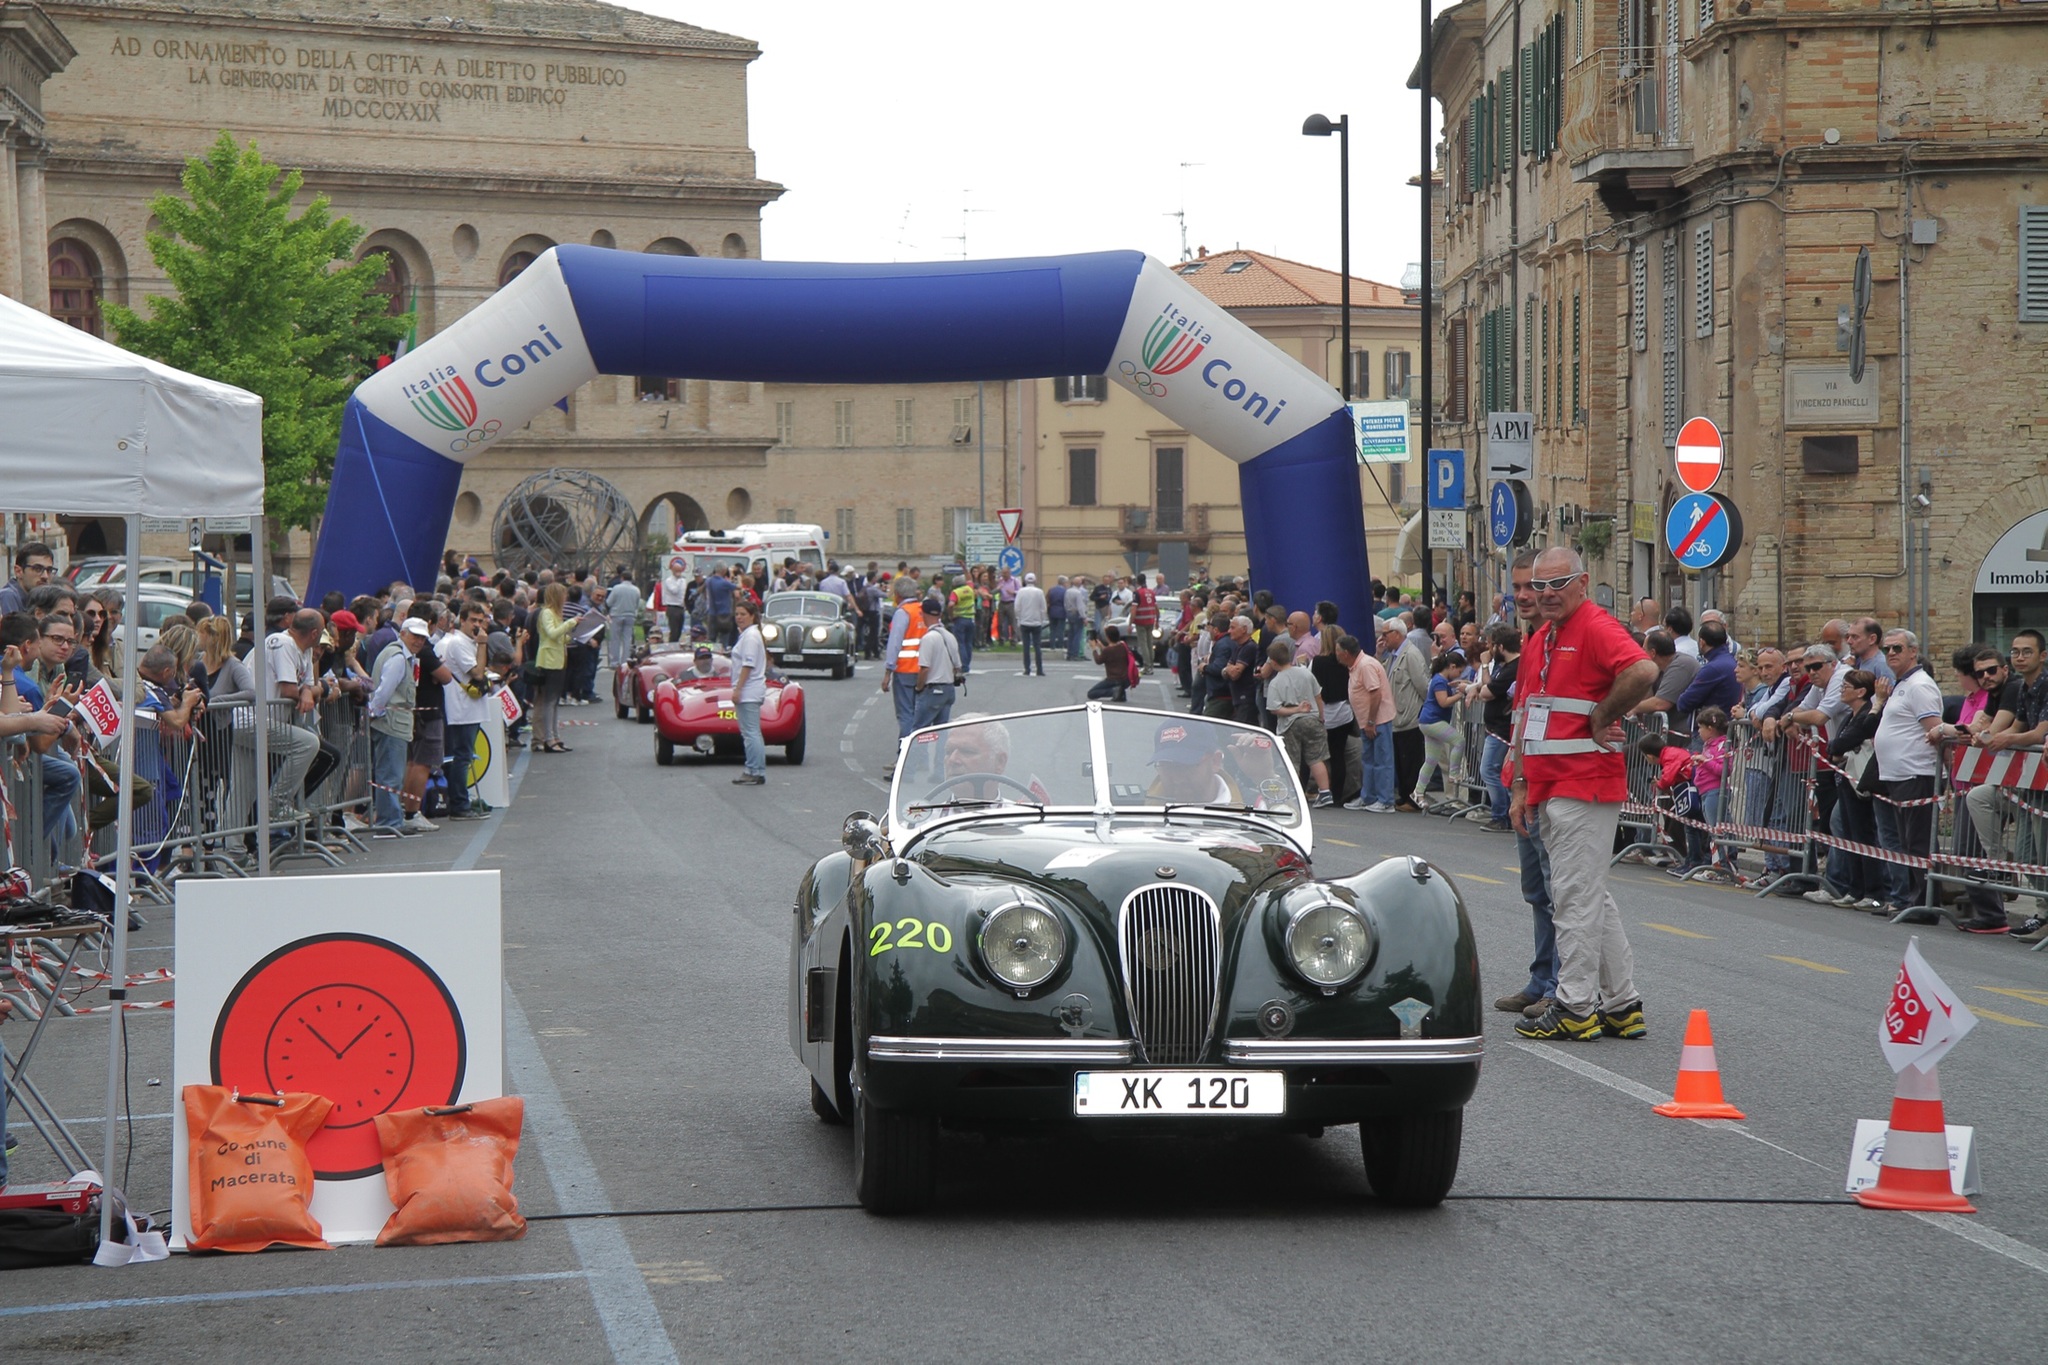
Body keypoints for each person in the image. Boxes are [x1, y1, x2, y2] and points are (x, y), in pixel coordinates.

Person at [1510, 548, 1658, 1042]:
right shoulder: (1546, 636)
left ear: (1582, 582)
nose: (1545, 594)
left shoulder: (1593, 626)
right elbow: (1528, 715)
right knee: (1590, 895)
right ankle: (1621, 1003)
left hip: (1584, 781)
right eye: (1538, 585)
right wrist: (1521, 783)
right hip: (1552, 781)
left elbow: (1642, 671)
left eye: (1558, 583)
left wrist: (1600, 716)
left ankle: (1575, 1006)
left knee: (1572, 897)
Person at [1870, 630, 1951, 923]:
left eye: (1898, 648)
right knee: (1907, 842)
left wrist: (1947, 775)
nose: (1891, 652)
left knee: (1919, 843)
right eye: (1887, 648)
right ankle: (1916, 899)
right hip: (1899, 775)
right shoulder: (1901, 685)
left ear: (1913, 652)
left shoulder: (1919, 686)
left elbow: (1937, 730)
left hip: (1917, 772)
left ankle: (1926, 904)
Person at [1804, 669, 1883, 910]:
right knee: (1847, 833)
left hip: (1860, 781)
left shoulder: (1868, 714)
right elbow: (1835, 747)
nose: (1841, 690)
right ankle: (1854, 888)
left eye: (1845, 687)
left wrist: (1877, 704)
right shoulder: (1851, 715)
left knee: (1863, 835)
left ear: (1860, 691)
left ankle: (1872, 891)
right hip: (1846, 780)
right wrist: (1838, 748)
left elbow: (1844, 742)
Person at [365, 618, 426, 838]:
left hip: (391, 721)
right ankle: (389, 822)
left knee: (390, 773)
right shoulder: (399, 659)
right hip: (392, 722)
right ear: (403, 634)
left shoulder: (400, 655)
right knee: (390, 774)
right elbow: (383, 691)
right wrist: (377, 712)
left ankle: (391, 819)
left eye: (422, 637)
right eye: (415, 636)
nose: (419, 641)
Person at [439, 601, 493, 820]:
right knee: (463, 756)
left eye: (481, 621)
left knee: (463, 755)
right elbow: (477, 673)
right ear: (462, 620)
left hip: (469, 708)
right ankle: (459, 804)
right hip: (462, 709)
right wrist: (482, 645)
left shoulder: (466, 642)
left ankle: (460, 800)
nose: (477, 625)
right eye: (473, 620)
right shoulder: (459, 643)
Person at [1265, 641, 1333, 807]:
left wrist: (1295, 710)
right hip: (1313, 719)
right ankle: (1325, 793)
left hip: (1290, 725)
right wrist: (1321, 716)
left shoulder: (1276, 682)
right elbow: (1318, 696)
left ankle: (1295, 795)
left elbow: (1275, 709)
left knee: (1292, 761)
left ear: (1273, 662)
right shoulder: (1306, 674)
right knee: (1316, 758)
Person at [1338, 633, 1396, 812]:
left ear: (1346, 653)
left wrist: (1371, 721)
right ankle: (1368, 796)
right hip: (1367, 721)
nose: (1336, 655)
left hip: (1377, 720)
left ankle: (1385, 800)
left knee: (1382, 760)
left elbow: (1375, 693)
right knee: (1369, 760)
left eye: (1338, 651)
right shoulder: (1358, 666)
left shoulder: (1365, 665)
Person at [1473, 624, 1521, 830]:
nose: (1489, 650)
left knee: (1489, 770)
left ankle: (1501, 814)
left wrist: (1484, 665)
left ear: (1500, 647)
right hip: (1496, 727)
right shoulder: (1506, 667)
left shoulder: (1513, 668)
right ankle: (1504, 812)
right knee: (1496, 771)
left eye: (1492, 646)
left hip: (1501, 730)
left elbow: (1488, 691)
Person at [1383, 617, 1428, 811]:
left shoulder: (1411, 655)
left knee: (1411, 760)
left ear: (1397, 634)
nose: (1383, 638)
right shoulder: (1392, 656)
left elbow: (1423, 686)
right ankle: (1404, 796)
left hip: (1409, 717)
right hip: (1397, 717)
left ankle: (1412, 799)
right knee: (1401, 760)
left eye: (1386, 634)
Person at [1413, 650, 1467, 811]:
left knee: (1431, 760)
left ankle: (1418, 791)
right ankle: (1454, 773)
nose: (1458, 675)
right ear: (1451, 666)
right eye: (1458, 671)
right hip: (1433, 721)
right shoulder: (1439, 681)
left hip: (1428, 722)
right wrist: (1460, 694)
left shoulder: (1439, 680)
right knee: (1459, 740)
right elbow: (1444, 702)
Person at [879, 576, 927, 747]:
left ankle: (904, 756)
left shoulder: (903, 613)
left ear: (898, 595)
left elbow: (894, 644)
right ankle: (920, 755)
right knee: (921, 716)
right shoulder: (924, 609)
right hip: (926, 670)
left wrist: (887, 673)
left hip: (906, 670)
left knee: (906, 715)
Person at [729, 595, 769, 785]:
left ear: (753, 616)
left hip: (749, 689)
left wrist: (738, 689)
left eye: (743, 614)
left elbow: (748, 664)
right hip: (750, 688)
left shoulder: (751, 637)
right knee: (750, 732)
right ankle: (754, 768)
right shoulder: (748, 635)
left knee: (751, 732)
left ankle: (755, 770)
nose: (739, 617)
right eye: (737, 614)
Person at [531, 581, 573, 752]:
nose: (565, 598)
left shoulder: (555, 613)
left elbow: (557, 637)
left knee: (554, 701)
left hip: (557, 659)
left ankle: (555, 735)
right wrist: (571, 624)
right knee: (549, 701)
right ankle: (549, 738)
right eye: (563, 595)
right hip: (549, 660)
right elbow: (552, 634)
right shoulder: (547, 613)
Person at [0, 541, 54, 617]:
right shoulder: (8, 596)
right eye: (37, 569)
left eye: (49, 570)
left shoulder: (42, 599)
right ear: (18, 571)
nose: (45, 576)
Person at [604, 567, 641, 670]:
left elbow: (609, 602)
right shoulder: (636, 590)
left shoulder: (616, 588)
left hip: (616, 614)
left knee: (615, 638)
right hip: (630, 615)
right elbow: (637, 604)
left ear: (622, 578)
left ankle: (614, 662)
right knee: (627, 639)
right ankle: (625, 662)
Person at [1014, 572, 1048, 677]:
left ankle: (1027, 669)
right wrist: (1042, 619)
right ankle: (1039, 669)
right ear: (1035, 580)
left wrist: (1019, 618)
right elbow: (1043, 608)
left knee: (1026, 647)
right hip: (1036, 622)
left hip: (1024, 622)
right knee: (1037, 646)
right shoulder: (1039, 592)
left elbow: (1017, 607)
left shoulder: (1021, 591)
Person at [1088, 625, 1132, 703]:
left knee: (1091, 693)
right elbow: (1112, 653)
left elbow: (1098, 660)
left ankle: (1114, 691)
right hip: (1125, 679)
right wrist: (1101, 646)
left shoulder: (1107, 651)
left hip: (1113, 679)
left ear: (1108, 637)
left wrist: (1094, 649)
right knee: (1117, 686)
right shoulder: (1123, 646)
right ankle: (1120, 692)